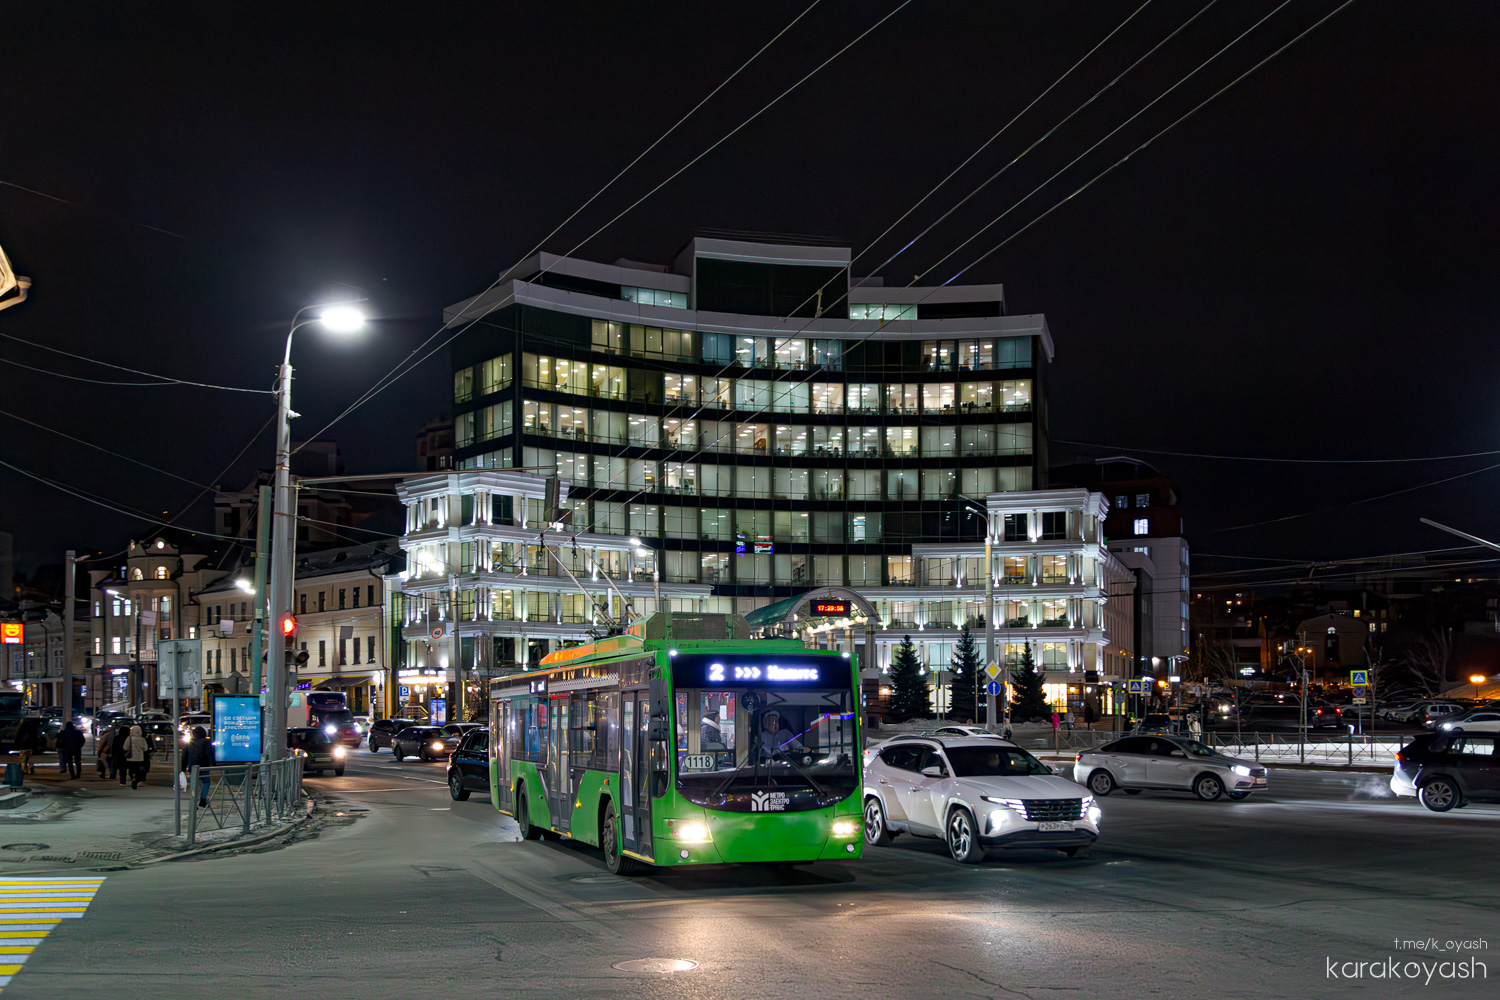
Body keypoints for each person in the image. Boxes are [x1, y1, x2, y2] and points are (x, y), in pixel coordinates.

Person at [181, 726, 213, 807]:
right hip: (204, 766)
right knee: (206, 782)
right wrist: (213, 764)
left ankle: (193, 803)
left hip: (193, 767)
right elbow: (209, 753)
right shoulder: (206, 741)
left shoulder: (189, 742)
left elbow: (185, 756)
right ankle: (203, 799)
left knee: (193, 785)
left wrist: (183, 768)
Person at [125, 724, 150, 790]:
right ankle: (136, 781)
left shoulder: (129, 738)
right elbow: (146, 749)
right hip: (139, 758)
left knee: (131, 769)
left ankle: (132, 777)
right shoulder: (142, 739)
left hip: (130, 758)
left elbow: (125, 747)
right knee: (138, 771)